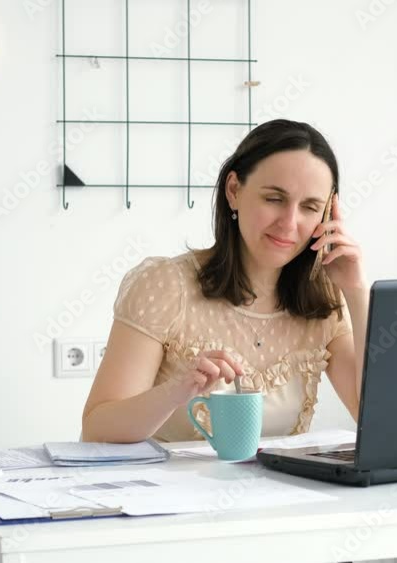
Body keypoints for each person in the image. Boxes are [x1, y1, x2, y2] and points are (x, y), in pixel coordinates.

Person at [81, 119, 368, 443]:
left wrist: (356, 292)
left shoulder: (323, 301)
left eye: (310, 207)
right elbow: (96, 429)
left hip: (283, 493)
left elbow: (376, 418)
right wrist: (177, 390)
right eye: (274, 199)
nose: (290, 223)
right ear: (234, 190)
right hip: (172, 492)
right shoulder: (165, 287)